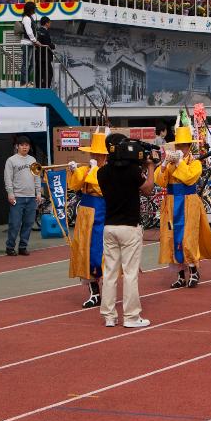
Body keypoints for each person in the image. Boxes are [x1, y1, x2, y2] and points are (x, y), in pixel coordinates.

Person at [95, 134, 157, 328]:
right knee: (130, 273)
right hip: (129, 226)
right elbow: (147, 189)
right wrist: (151, 167)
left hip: (109, 226)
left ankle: (109, 316)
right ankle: (131, 316)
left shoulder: (101, 172)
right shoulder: (132, 170)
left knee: (110, 273)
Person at [155, 122, 211, 287]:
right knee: (172, 237)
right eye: (179, 145)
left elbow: (189, 178)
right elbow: (160, 182)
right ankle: (180, 274)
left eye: (184, 145)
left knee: (188, 237)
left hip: (189, 203)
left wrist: (179, 163)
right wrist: (163, 165)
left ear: (189, 147)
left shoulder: (195, 163)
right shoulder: (170, 163)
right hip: (171, 203)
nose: (181, 148)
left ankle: (193, 271)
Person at [68, 130, 109, 310]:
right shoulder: (88, 168)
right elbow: (75, 185)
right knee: (84, 250)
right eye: (93, 153)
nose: (94, 156)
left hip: (101, 212)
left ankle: (107, 291)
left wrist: (93, 170)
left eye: (98, 154)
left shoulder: (107, 171)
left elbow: (101, 188)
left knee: (100, 252)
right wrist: (74, 171)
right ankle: (94, 292)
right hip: (85, 214)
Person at [4, 135, 40, 256]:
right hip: (17, 197)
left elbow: (37, 177)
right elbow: (8, 178)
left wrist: (38, 193)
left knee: (29, 223)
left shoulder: (33, 160)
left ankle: (23, 246)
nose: (25, 147)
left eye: (27, 145)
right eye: (22, 145)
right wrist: (10, 193)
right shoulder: (11, 160)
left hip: (31, 197)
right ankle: (10, 247)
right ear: (17, 146)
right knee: (14, 223)